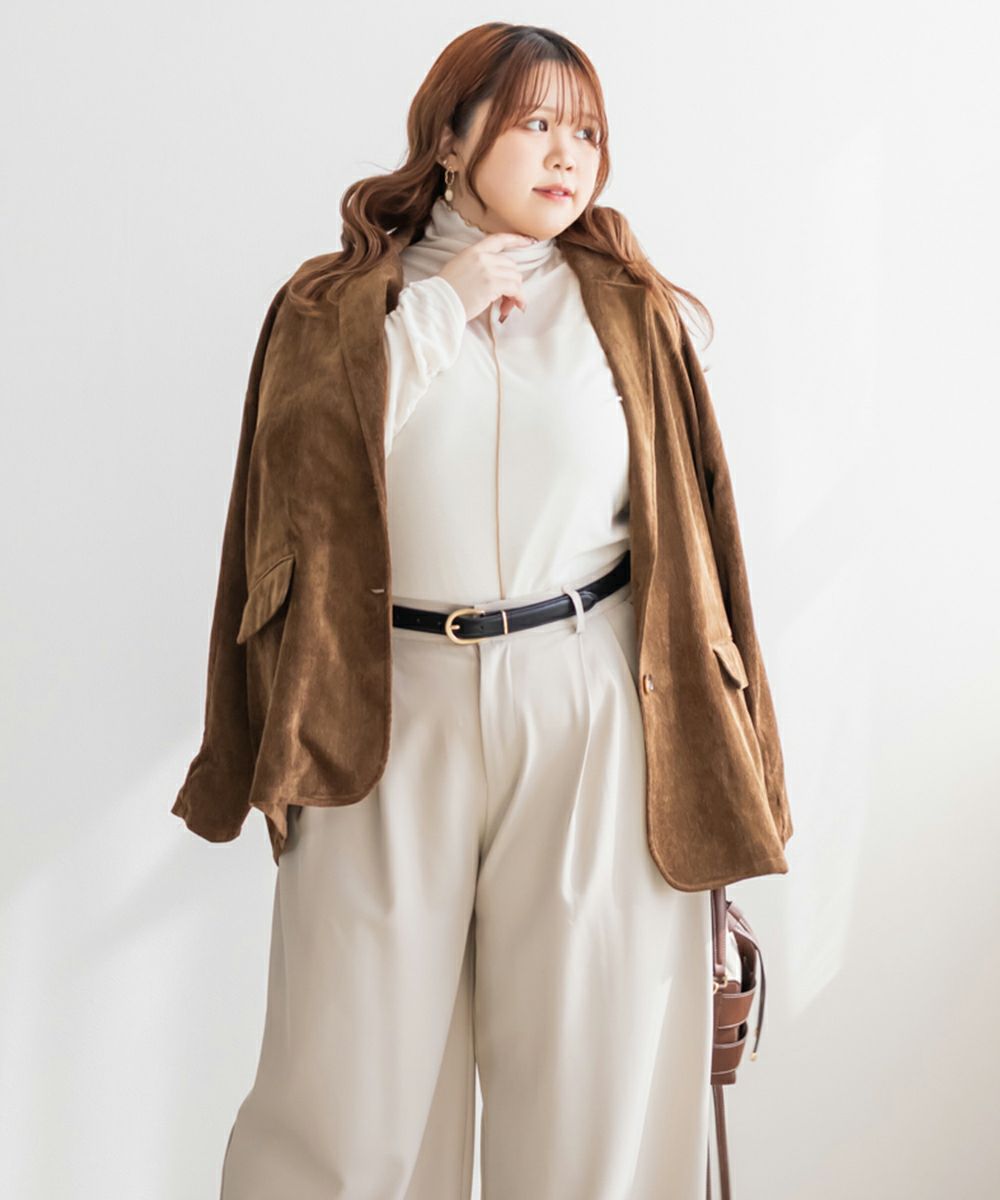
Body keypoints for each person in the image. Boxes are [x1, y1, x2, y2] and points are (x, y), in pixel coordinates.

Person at [174, 21, 791, 1200]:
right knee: (346, 1090)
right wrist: (441, 309)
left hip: (591, 700)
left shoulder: (625, 307)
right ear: (451, 141)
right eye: (534, 123)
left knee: (592, 1079)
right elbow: (307, 491)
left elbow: (698, 545)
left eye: (587, 132)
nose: (567, 155)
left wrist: (719, 752)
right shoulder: (337, 306)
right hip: (379, 704)